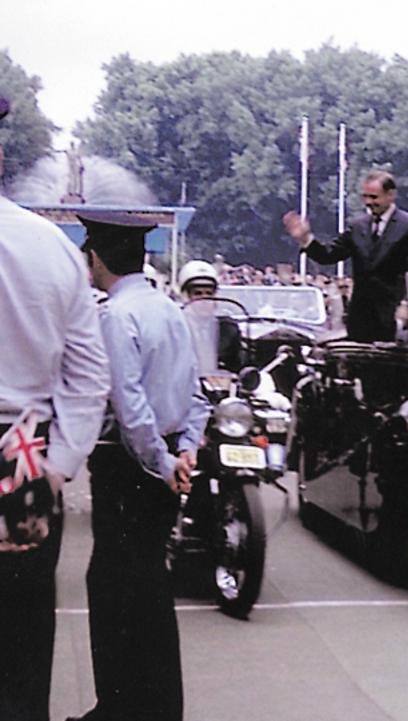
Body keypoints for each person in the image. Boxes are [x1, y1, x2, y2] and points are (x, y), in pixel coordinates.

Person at [70, 211, 210, 721]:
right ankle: (154, 705)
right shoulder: (169, 309)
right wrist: (185, 450)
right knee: (149, 585)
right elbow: (195, 392)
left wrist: (160, 459)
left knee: (114, 589)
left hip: (130, 469)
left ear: (97, 257)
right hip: (166, 459)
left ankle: (120, 706)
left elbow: (130, 410)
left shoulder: (115, 316)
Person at [0, 94, 112, 721]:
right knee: (20, 642)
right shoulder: (50, 246)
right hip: (23, 455)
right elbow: (86, 375)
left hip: (24, 448)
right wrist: (61, 463)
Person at [283, 169, 408, 341]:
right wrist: (305, 238)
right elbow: (328, 255)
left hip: (395, 317)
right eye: (365, 197)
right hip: (360, 318)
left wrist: (406, 305)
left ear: (391, 195)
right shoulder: (357, 226)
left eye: (374, 197)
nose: (368, 202)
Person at [176, 259, 244, 372]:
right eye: (198, 293)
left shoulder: (228, 328)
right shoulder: (176, 327)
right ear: (186, 295)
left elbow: (238, 365)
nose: (205, 298)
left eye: (209, 293)